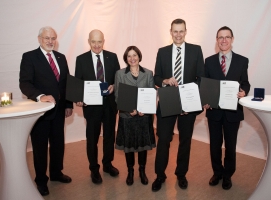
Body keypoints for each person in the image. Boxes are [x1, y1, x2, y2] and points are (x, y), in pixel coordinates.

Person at [19, 26, 73, 196]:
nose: (50, 41)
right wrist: (40, 96)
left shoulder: (61, 57)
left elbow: (66, 84)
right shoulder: (29, 57)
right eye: (47, 38)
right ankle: (41, 180)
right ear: (39, 39)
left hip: (59, 111)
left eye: (53, 38)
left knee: (58, 145)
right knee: (40, 147)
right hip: (40, 113)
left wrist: (69, 104)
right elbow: (25, 83)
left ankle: (56, 173)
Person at [152, 19, 204, 191]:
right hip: (168, 100)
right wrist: (165, 80)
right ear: (171, 32)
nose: (178, 34)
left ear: (186, 31)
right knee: (164, 139)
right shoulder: (163, 51)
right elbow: (156, 77)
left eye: (181, 31)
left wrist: (189, 100)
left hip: (188, 103)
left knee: (185, 140)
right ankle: (160, 175)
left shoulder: (196, 50)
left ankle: (181, 174)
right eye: (175, 31)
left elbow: (200, 78)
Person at [203, 26, 250, 190]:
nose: (224, 40)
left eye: (227, 37)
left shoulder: (242, 61)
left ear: (232, 39)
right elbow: (205, 85)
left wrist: (244, 91)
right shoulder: (208, 61)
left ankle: (228, 175)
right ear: (217, 40)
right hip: (214, 112)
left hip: (233, 113)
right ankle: (217, 173)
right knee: (215, 145)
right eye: (220, 37)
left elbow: (245, 82)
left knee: (230, 146)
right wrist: (206, 100)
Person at [75, 29, 120, 184]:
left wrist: (114, 86)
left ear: (103, 41)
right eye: (93, 41)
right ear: (89, 41)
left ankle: (108, 165)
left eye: (99, 41)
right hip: (92, 107)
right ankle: (94, 169)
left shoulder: (112, 57)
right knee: (92, 139)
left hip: (109, 105)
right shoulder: (81, 59)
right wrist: (79, 99)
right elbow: (79, 84)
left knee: (109, 136)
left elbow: (118, 78)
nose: (96, 45)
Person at [114, 46, 156, 186]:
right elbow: (118, 96)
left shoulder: (148, 73)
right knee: (129, 147)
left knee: (143, 147)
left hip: (144, 117)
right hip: (127, 117)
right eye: (129, 56)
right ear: (126, 58)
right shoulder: (120, 73)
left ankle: (142, 171)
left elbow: (151, 94)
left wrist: (146, 109)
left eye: (135, 55)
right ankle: (130, 171)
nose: (132, 58)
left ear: (139, 56)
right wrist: (127, 109)